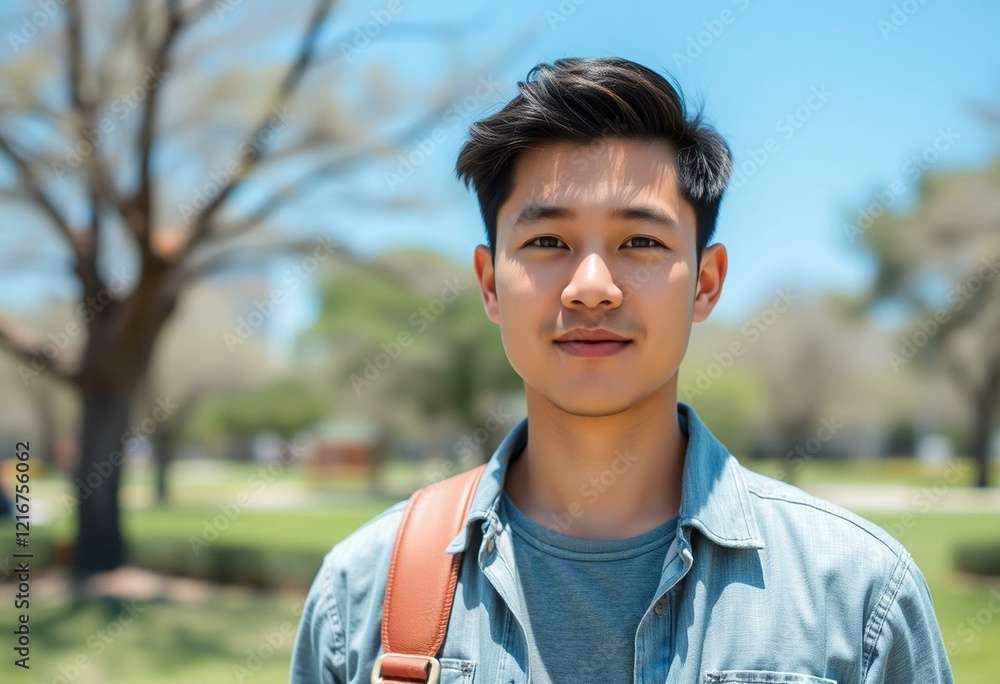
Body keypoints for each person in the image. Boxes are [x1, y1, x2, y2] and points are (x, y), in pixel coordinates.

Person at [290, 56, 954, 684]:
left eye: (640, 241)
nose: (591, 287)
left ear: (705, 283)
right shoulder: (361, 595)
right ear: (490, 284)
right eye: (547, 241)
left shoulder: (859, 593)